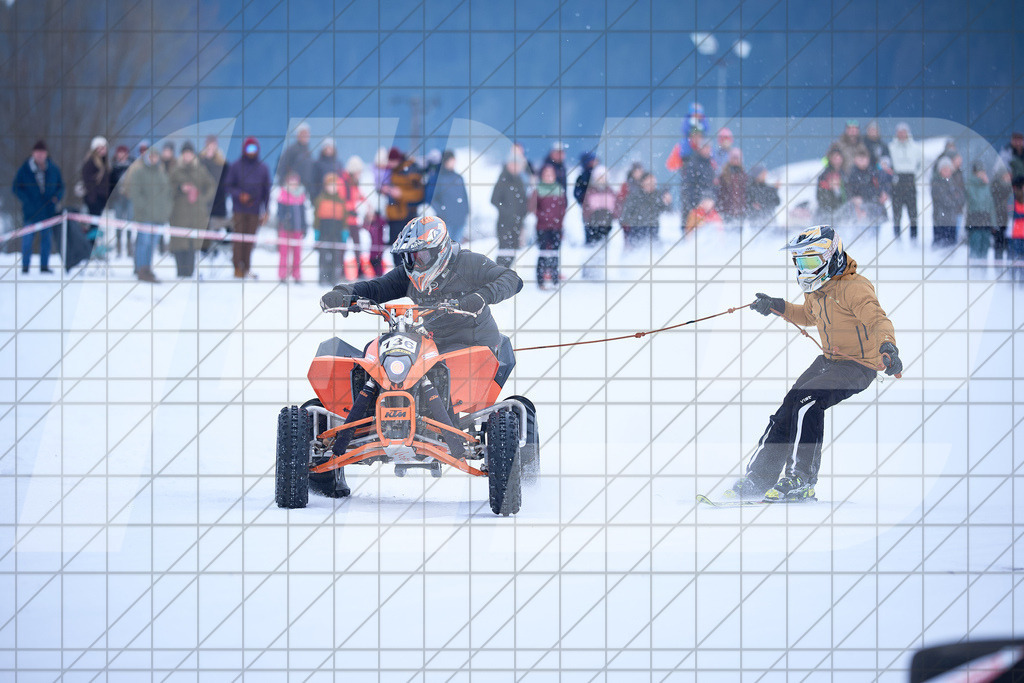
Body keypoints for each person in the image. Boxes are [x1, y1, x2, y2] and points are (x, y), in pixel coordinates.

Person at [318, 215, 524, 486]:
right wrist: (346, 293)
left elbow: (512, 279)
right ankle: (370, 423)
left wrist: (480, 297)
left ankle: (443, 429)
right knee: (383, 360)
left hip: (473, 343)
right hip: (432, 343)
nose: (415, 262)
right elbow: (376, 287)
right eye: (409, 256)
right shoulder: (408, 274)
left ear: (440, 250)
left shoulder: (469, 263)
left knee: (443, 372)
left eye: (421, 255)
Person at [725, 225, 902, 502]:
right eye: (799, 262)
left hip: (859, 365)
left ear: (830, 257)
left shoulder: (855, 288)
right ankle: (760, 477)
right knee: (791, 404)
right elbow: (808, 315)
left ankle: (800, 479)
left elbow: (878, 320)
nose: (804, 268)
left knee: (807, 401)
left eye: (810, 261)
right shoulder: (816, 289)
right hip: (829, 360)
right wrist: (775, 305)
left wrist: (887, 347)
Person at [11, 139, 64, 274]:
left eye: (42, 153)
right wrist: (26, 200)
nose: (40, 155)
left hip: (48, 211)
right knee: (27, 240)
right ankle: (25, 266)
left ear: (46, 154)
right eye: (37, 153)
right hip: (30, 212)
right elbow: (16, 187)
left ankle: (44, 266)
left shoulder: (53, 169)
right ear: (33, 153)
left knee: (46, 240)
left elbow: (61, 187)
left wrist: (56, 198)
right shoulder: (25, 169)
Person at [224, 137, 271, 279]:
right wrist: (240, 195)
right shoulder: (236, 166)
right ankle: (237, 267)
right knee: (238, 239)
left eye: (254, 149)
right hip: (239, 210)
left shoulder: (263, 168)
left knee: (250, 241)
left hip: (255, 211)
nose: (251, 152)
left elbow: (266, 191)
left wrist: (266, 211)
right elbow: (228, 186)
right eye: (249, 148)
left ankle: (247, 267)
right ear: (244, 149)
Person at [167, 142, 215, 278]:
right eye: (185, 153)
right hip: (179, 211)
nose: (187, 156)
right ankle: (180, 272)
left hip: (196, 212)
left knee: (192, 244)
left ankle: (190, 272)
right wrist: (180, 188)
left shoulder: (200, 170)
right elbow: (167, 188)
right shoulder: (175, 170)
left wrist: (203, 198)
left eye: (190, 153)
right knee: (179, 242)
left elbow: (211, 185)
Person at [126, 146, 171, 283]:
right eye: (150, 157)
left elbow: (167, 194)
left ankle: (148, 268)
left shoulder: (161, 173)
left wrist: (166, 211)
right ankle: (140, 268)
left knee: (152, 244)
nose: (153, 159)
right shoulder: (139, 172)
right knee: (143, 242)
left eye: (155, 156)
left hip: (159, 217)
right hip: (144, 216)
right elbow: (135, 193)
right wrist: (143, 208)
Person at [490, 150, 530, 268]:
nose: (516, 167)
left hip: (517, 223)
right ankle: (498, 277)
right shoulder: (502, 179)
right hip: (504, 223)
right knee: (504, 252)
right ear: (509, 164)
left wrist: (523, 214)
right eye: (514, 164)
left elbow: (523, 200)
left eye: (518, 165)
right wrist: (507, 212)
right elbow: (494, 200)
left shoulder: (519, 180)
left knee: (512, 252)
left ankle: (505, 278)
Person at [531, 164, 567, 290]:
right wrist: (545, 216)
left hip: (557, 227)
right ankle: (541, 280)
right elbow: (532, 208)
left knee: (555, 253)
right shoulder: (538, 190)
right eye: (546, 174)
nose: (549, 177)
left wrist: (559, 220)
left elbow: (563, 207)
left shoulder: (559, 190)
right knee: (543, 253)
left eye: (551, 174)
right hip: (542, 227)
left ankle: (554, 278)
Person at [381, 147, 425, 247]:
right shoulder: (391, 171)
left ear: (398, 160)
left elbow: (419, 194)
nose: (390, 164)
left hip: (406, 216)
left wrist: (401, 194)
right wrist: (386, 190)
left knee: (406, 249)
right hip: (393, 216)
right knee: (395, 249)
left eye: (392, 161)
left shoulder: (411, 171)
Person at [580, 165, 617, 280]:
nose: (602, 179)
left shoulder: (610, 191)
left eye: (604, 177)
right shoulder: (590, 191)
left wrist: (613, 217)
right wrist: (588, 221)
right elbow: (585, 208)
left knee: (603, 249)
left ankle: (599, 271)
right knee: (591, 248)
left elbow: (616, 207)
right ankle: (588, 272)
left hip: (606, 225)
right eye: (599, 177)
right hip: (592, 225)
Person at [620, 171, 671, 247]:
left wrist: (667, 202)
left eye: (654, 182)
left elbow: (666, 210)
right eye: (649, 182)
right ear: (642, 183)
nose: (652, 184)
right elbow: (625, 215)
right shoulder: (635, 196)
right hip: (637, 231)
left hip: (653, 230)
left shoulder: (657, 195)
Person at [199, 135, 230, 258]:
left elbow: (228, 183)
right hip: (202, 202)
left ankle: (215, 253)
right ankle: (204, 254)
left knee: (216, 231)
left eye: (213, 145)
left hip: (218, 203)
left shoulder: (223, 164)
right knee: (203, 231)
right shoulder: (199, 162)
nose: (211, 148)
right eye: (209, 145)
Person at [889, 122, 922, 239]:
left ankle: (914, 239)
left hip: (910, 180)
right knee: (897, 214)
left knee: (913, 214)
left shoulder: (916, 148)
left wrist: (915, 177)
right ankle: (897, 239)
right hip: (897, 181)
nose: (902, 135)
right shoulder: (891, 147)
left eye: (904, 132)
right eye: (900, 133)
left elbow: (920, 164)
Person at [313, 172, 347, 284]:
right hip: (324, 232)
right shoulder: (320, 199)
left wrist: (345, 231)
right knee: (323, 257)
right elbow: (316, 217)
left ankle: (333, 278)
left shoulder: (341, 201)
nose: (332, 188)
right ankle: (322, 277)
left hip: (336, 234)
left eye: (335, 185)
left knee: (336, 257)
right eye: (330, 185)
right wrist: (316, 231)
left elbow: (344, 218)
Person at [429, 150, 469, 243]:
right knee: (445, 248)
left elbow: (464, 197)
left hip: (460, 220)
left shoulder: (458, 177)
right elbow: (432, 199)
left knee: (457, 249)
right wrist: (443, 213)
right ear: (446, 161)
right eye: (452, 160)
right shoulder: (438, 178)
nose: (454, 162)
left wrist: (466, 212)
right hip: (446, 221)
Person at [276, 170, 307, 283]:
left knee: (297, 253)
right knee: (284, 253)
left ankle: (296, 275)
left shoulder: (301, 196)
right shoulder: (283, 195)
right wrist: (284, 221)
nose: (293, 185)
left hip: (298, 229)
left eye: (295, 182)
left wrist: (304, 226)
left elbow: (303, 213)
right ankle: (283, 275)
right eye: (291, 182)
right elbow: (279, 214)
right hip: (285, 229)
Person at [679, 139, 716, 228]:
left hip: (707, 206)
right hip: (694, 205)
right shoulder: (693, 164)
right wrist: (695, 203)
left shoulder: (710, 164)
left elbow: (712, 186)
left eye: (709, 148)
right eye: (705, 148)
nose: (707, 151)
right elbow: (688, 186)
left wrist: (711, 199)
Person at [845, 149, 886, 226]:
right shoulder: (851, 174)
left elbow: (880, 186)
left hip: (874, 207)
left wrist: (883, 194)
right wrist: (854, 199)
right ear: (855, 159)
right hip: (858, 209)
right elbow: (848, 191)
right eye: (860, 159)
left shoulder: (873, 172)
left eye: (864, 159)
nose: (862, 161)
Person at [81, 136, 110, 241]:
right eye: (100, 148)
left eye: (104, 148)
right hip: (93, 200)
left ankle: (94, 248)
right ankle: (89, 248)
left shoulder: (104, 163)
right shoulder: (90, 162)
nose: (102, 150)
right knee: (93, 226)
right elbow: (87, 181)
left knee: (97, 226)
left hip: (101, 199)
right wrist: (93, 199)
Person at [931, 157, 964, 248]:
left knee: (951, 247)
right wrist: (955, 200)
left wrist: (955, 200)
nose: (947, 171)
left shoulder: (953, 182)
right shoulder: (936, 183)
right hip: (940, 221)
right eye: (944, 169)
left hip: (952, 220)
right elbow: (943, 200)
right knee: (939, 249)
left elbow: (961, 196)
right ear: (940, 170)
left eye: (948, 169)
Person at [965, 161, 995, 260]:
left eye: (983, 172)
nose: (982, 174)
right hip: (975, 221)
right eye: (979, 172)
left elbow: (991, 205)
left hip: (986, 222)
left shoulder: (986, 186)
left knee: (985, 250)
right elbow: (976, 201)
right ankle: (974, 273)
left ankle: (982, 274)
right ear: (975, 173)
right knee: (975, 249)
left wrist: (993, 223)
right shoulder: (970, 184)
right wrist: (981, 183)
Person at [109, 144, 134, 257]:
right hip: (117, 198)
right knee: (118, 222)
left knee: (129, 221)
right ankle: (118, 245)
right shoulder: (113, 167)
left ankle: (129, 245)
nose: (122, 155)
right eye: (120, 153)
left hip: (130, 198)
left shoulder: (133, 165)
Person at [278, 122, 315, 197]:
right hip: (293, 190)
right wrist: (284, 184)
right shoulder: (291, 150)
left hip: (306, 190)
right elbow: (281, 167)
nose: (305, 136)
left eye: (306, 134)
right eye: (302, 133)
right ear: (297, 135)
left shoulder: (309, 152)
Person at [716, 148, 748, 224]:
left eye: (738, 158)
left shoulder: (744, 176)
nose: (736, 161)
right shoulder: (723, 176)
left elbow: (746, 193)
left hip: (740, 211)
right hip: (726, 211)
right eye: (734, 158)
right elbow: (719, 194)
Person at [617, 162, 645, 244]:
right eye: (637, 171)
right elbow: (621, 200)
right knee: (629, 242)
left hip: (641, 218)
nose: (639, 173)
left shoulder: (644, 184)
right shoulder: (626, 185)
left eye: (640, 171)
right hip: (629, 218)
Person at [816, 149, 846, 224]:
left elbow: (849, 192)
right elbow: (821, 197)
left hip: (843, 211)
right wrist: (831, 189)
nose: (837, 160)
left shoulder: (845, 174)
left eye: (839, 157)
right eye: (835, 157)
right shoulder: (824, 176)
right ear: (830, 159)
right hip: (829, 213)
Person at [990, 164, 1012, 260]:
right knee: (999, 247)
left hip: (1008, 222)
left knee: (1008, 248)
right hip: (999, 222)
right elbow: (993, 207)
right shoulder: (995, 188)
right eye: (1006, 176)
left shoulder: (1011, 188)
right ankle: (998, 270)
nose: (1008, 178)